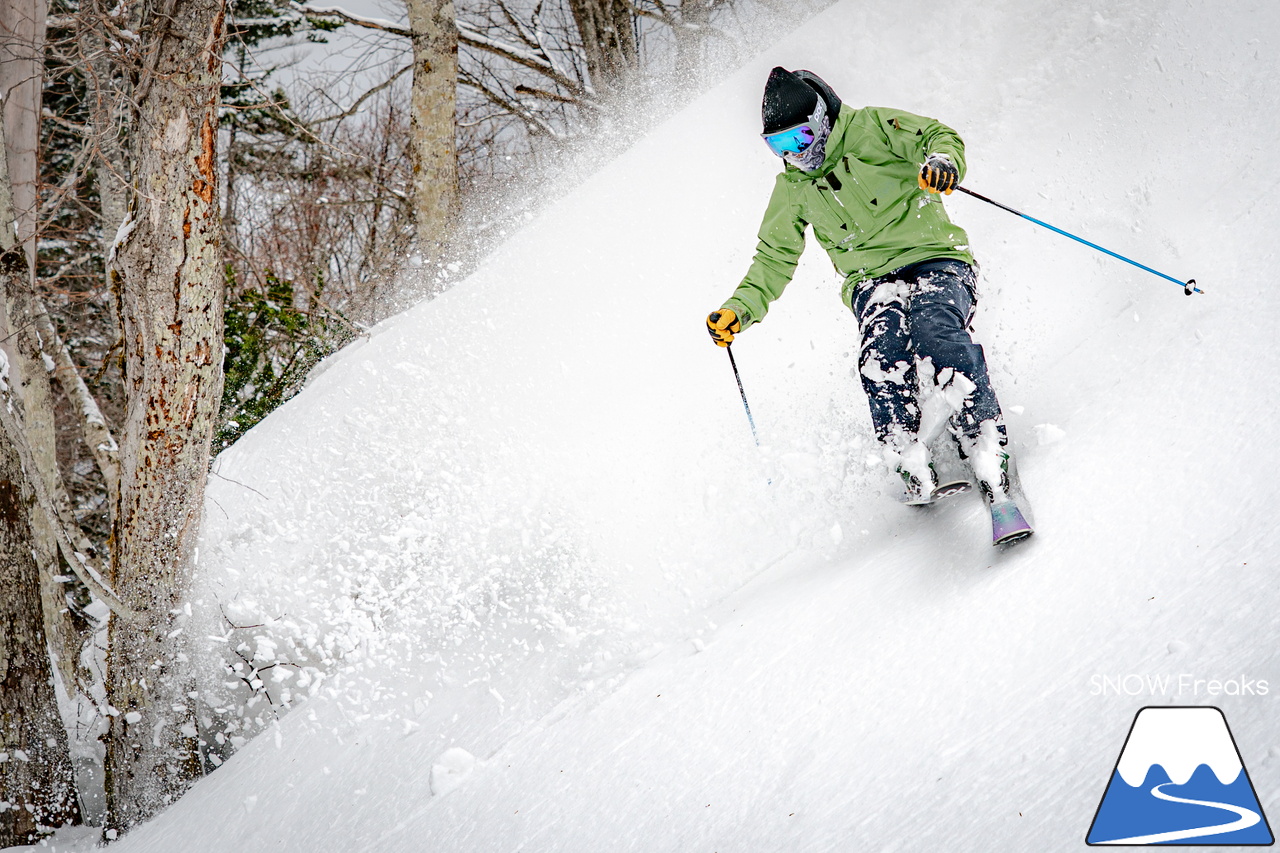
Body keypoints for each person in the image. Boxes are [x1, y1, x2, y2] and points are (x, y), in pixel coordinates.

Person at [707, 67, 1015, 506]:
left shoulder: (872, 128)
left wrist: (943, 163)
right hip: (871, 283)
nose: (794, 154)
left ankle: (986, 442)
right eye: (779, 146)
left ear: (820, 121)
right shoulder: (793, 188)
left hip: (937, 259)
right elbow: (774, 258)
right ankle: (908, 457)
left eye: (799, 139)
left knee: (935, 329)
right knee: (880, 352)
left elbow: (936, 135)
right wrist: (740, 309)